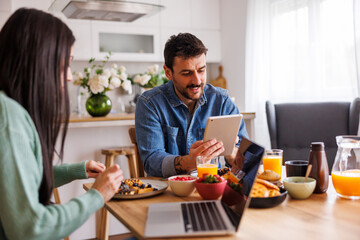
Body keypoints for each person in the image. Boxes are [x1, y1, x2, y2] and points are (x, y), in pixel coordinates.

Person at [0, 8, 123, 240]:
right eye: (65, 64)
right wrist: (97, 195)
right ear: (39, 59)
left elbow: (20, 178)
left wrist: (76, 170)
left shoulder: (8, 108)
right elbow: (31, 229)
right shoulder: (8, 117)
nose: (69, 76)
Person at [135, 33, 248, 177]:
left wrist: (233, 154)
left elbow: (248, 159)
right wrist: (190, 162)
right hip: (168, 191)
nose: (197, 80)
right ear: (168, 73)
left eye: (201, 70)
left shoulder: (222, 100)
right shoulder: (150, 103)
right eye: (187, 73)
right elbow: (151, 161)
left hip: (212, 186)